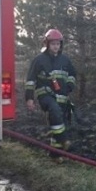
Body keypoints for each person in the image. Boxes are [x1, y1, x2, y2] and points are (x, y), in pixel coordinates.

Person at [25, 29, 77, 157]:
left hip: (62, 97)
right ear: (47, 44)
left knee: (58, 121)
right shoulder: (39, 60)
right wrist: (29, 99)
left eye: (58, 44)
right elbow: (30, 80)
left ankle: (55, 155)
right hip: (45, 95)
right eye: (53, 44)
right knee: (54, 111)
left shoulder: (65, 60)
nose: (56, 46)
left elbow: (72, 74)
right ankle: (64, 140)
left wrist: (70, 85)